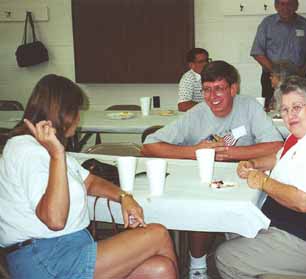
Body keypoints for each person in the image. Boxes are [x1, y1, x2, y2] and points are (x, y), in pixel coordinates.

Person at [0, 74, 178, 279]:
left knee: (160, 269)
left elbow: (90, 182)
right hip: (44, 258)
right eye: (77, 111)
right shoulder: (27, 150)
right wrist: (57, 155)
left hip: (65, 250)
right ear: (65, 114)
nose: (79, 118)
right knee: (158, 234)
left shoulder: (46, 148)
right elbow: (55, 220)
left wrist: (123, 197)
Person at [142, 61, 283, 279]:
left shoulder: (249, 107)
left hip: (244, 182)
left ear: (233, 88)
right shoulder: (196, 113)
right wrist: (196, 151)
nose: (212, 97)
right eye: (207, 90)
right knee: (201, 208)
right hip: (204, 181)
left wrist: (230, 153)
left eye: (219, 89)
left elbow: (276, 146)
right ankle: (197, 267)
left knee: (240, 246)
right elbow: (149, 146)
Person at [215, 76, 306, 278]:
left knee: (226, 257)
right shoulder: (304, 134)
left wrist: (264, 182)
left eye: (297, 107)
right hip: (293, 223)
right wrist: (254, 164)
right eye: (284, 109)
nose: (289, 115)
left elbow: (305, 202)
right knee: (234, 224)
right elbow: (278, 158)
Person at [250, 0, 306, 110]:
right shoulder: (267, 24)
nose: (286, 7)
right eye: (282, 4)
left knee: (297, 111)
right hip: (272, 80)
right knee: (271, 112)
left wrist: (302, 74)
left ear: (296, 5)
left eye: (290, 4)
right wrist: (276, 73)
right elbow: (257, 52)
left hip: (298, 79)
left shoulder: (303, 23)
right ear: (276, 6)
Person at [178, 48, 210, 112]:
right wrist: (208, 105)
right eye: (201, 62)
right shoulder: (188, 78)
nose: (205, 64)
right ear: (191, 65)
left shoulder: (214, 74)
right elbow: (183, 106)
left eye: (207, 60)